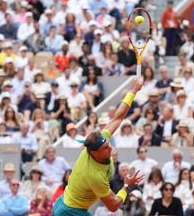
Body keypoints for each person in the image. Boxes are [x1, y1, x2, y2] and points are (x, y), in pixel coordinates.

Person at [53, 77, 144, 215]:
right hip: (70, 211)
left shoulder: (101, 139)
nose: (111, 148)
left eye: (108, 145)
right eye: (106, 148)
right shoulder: (94, 176)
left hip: (67, 203)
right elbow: (113, 206)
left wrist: (133, 91)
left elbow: (118, 117)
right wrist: (126, 186)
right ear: (94, 153)